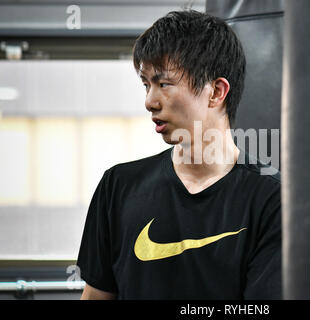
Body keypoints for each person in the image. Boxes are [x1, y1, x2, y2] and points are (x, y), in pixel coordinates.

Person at [77, 10, 281, 300]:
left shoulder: (271, 200)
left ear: (216, 92)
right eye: (146, 85)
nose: (149, 101)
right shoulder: (118, 186)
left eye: (164, 84)